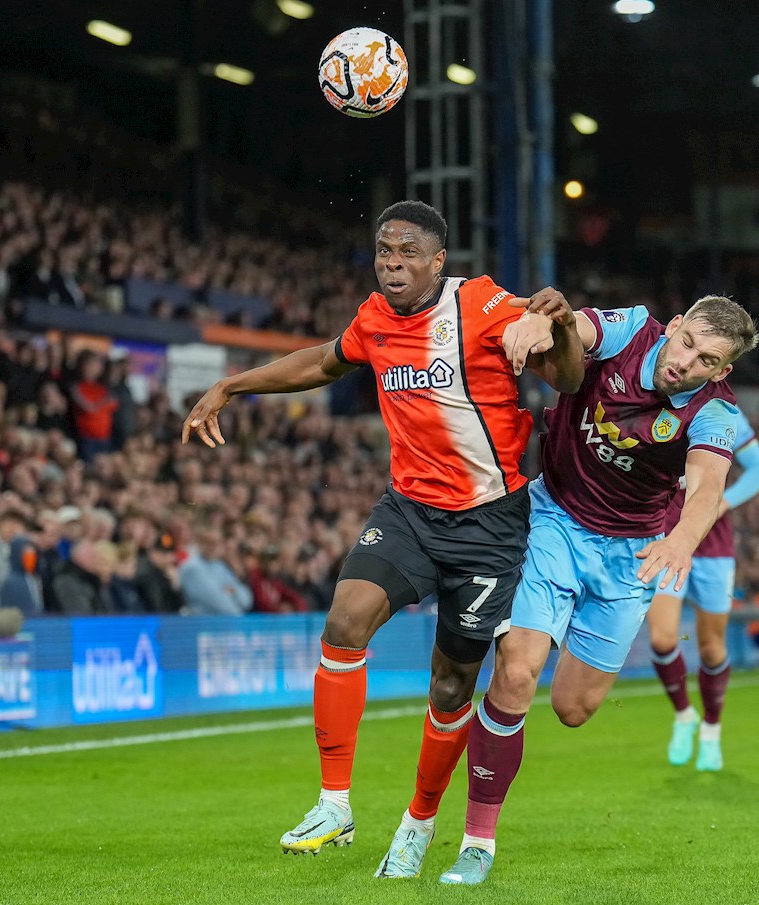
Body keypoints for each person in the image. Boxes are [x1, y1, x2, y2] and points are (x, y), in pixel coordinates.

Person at [180, 200, 582, 873]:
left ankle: (420, 819)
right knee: (344, 621)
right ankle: (333, 803)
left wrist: (560, 323)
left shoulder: (483, 306)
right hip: (408, 511)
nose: (391, 266)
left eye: (404, 254)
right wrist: (232, 384)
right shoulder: (374, 317)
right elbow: (323, 361)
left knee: (452, 684)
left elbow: (566, 378)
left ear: (436, 260)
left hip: (488, 524)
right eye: (382, 253)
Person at [439, 294, 759, 885]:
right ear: (678, 325)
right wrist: (541, 323)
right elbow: (579, 332)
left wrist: (682, 541)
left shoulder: (716, 413)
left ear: (722, 372)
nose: (687, 362)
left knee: (573, 709)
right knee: (516, 670)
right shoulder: (635, 329)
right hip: (553, 519)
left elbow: (709, 487)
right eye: (687, 343)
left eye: (706, 360)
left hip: (631, 554)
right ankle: (477, 842)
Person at [646, 406, 759, 772]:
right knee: (662, 639)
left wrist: (721, 503)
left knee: (712, 648)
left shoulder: (726, 414)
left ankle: (712, 729)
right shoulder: (657, 403)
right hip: (667, 536)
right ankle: (685, 715)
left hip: (714, 547)